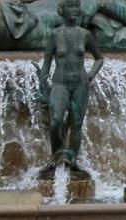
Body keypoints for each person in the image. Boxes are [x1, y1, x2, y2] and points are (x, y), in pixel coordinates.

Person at [38, 0, 103, 174]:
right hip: (59, 83)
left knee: (76, 124)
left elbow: (99, 58)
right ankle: (57, 155)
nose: (75, 10)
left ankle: (73, 160)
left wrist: (90, 75)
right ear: (61, 10)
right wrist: (42, 79)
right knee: (56, 121)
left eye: (77, 7)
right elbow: (46, 63)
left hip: (80, 84)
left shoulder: (85, 34)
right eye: (70, 7)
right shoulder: (54, 35)